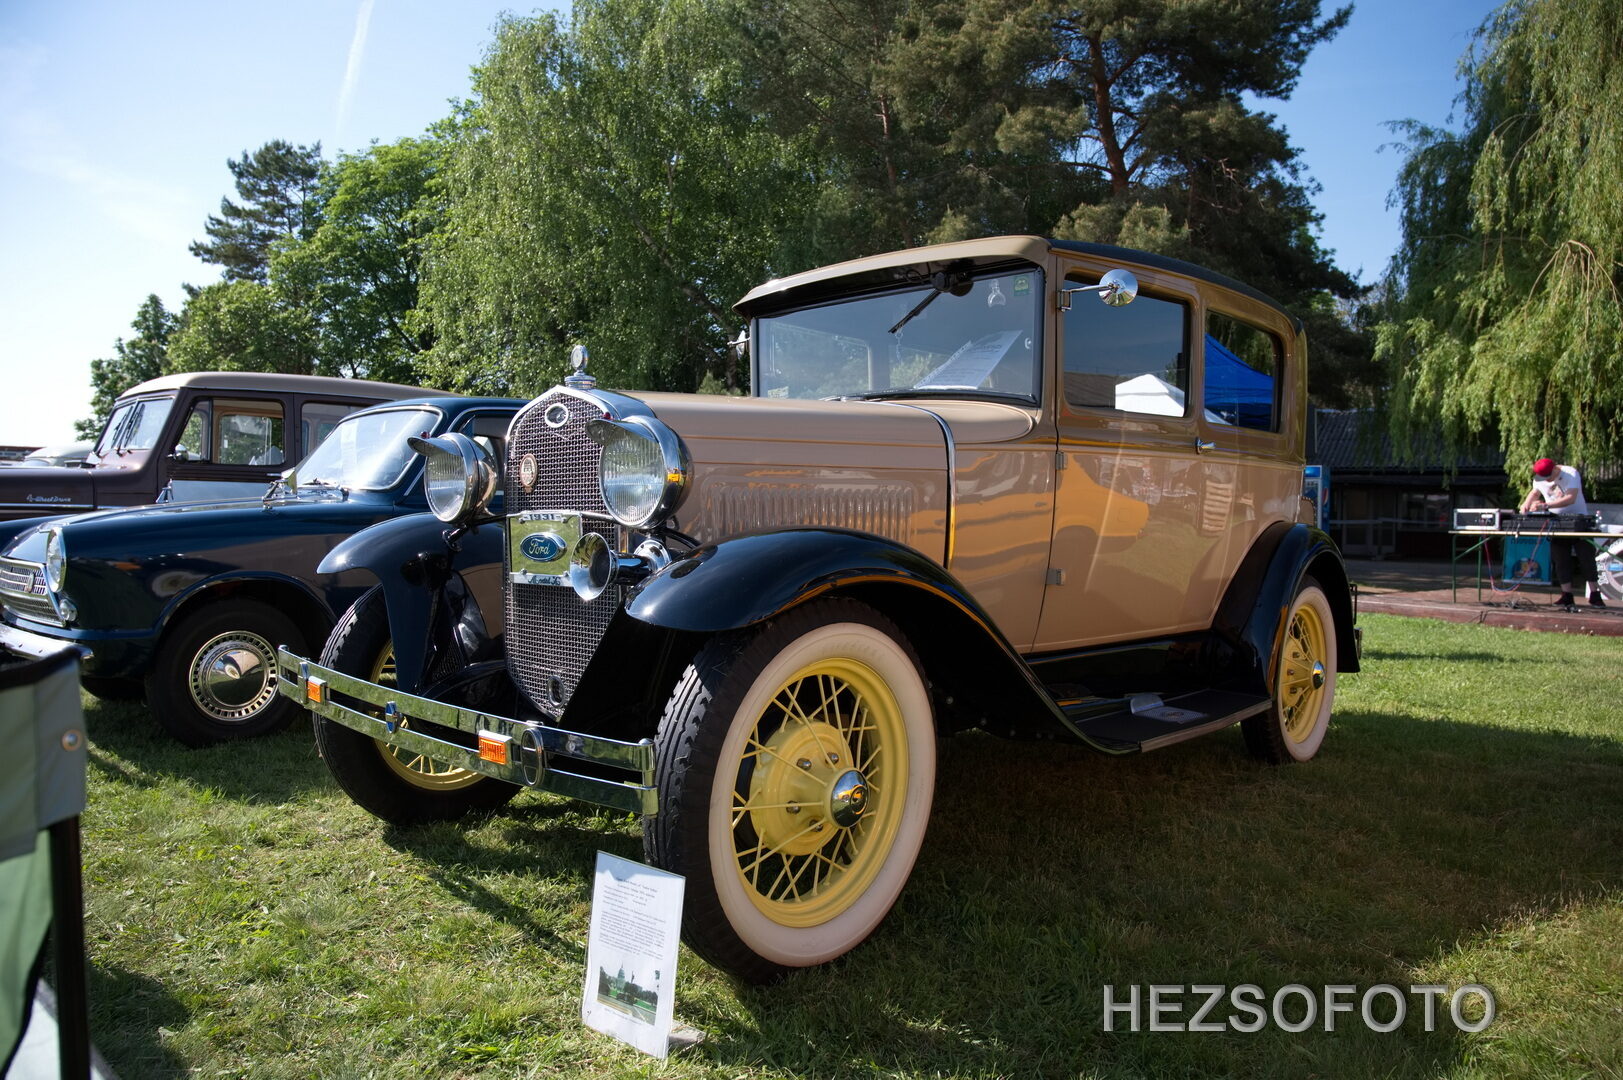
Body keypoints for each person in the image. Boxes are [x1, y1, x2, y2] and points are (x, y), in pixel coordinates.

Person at [1519, 457, 1604, 607]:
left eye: (1549, 477)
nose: (1547, 481)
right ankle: (1566, 595)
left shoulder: (1570, 473)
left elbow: (1571, 498)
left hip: (1579, 520)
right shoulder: (1539, 478)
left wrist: (1545, 506)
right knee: (1560, 560)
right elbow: (1535, 492)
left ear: (1555, 469)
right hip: (1556, 522)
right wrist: (1526, 504)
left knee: (1586, 558)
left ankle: (1595, 594)